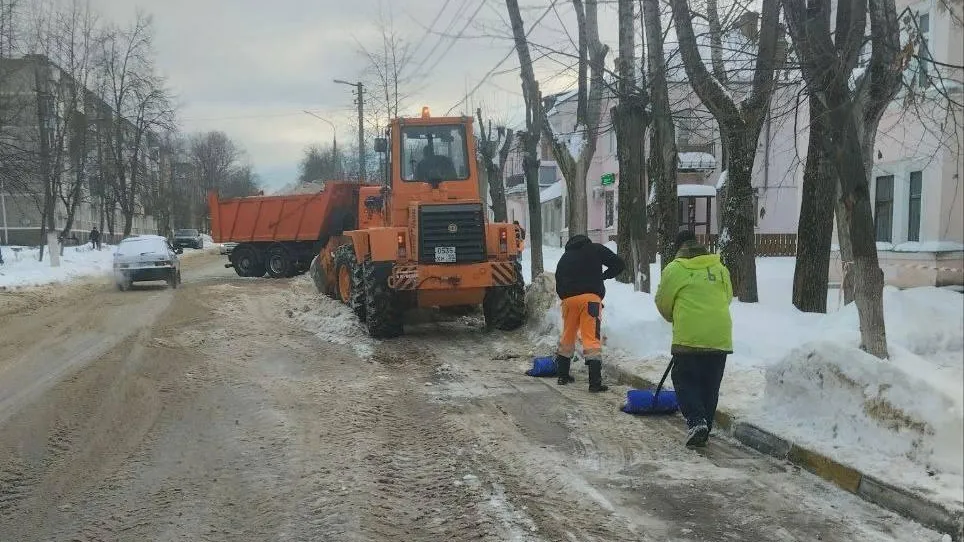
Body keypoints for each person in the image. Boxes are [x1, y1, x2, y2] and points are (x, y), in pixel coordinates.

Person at [655, 230, 733, 448]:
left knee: (684, 378)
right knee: (710, 382)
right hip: (720, 335)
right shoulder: (719, 268)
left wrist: (677, 317)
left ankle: (697, 421)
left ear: (679, 248)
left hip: (689, 336)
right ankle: (705, 424)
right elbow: (727, 298)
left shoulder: (675, 268)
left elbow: (663, 302)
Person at [554, 234, 625, 392]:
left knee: (567, 336)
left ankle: (562, 376)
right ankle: (595, 383)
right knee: (591, 338)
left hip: (568, 301)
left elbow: (558, 280)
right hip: (590, 300)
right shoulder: (595, 249)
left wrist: (566, 297)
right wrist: (603, 276)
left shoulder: (565, 257)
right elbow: (619, 264)